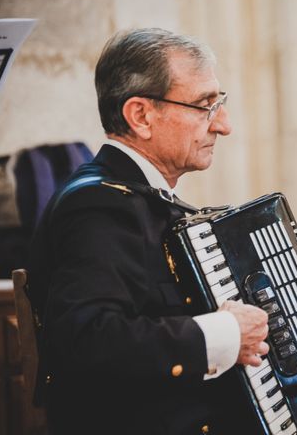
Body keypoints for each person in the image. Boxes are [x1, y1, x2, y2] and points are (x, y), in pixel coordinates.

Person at [26, 28, 270, 435]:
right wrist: (226, 332)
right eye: (204, 105)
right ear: (140, 116)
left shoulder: (145, 200)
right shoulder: (99, 204)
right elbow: (88, 339)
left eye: (219, 103)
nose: (223, 125)